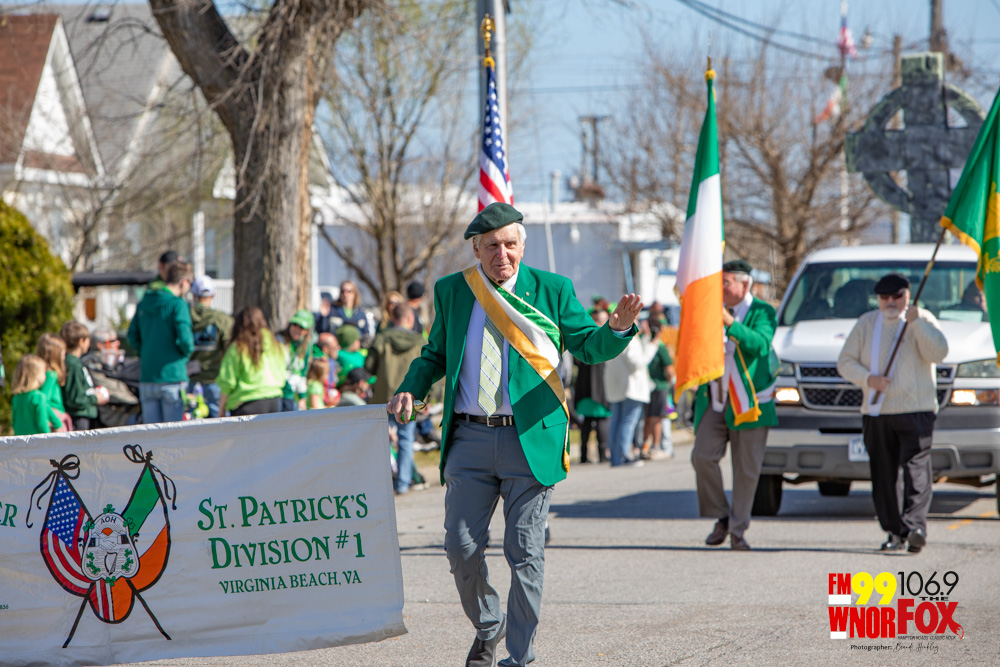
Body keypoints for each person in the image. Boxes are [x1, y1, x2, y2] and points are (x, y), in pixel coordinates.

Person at [387, 203, 641, 667]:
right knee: (460, 548)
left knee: (524, 552)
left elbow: (588, 346)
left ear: (522, 246)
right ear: (476, 249)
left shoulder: (552, 289)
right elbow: (435, 355)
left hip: (531, 438)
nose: (501, 254)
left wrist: (618, 328)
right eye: (491, 245)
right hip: (469, 438)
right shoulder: (453, 290)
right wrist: (411, 388)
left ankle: (519, 657)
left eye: (509, 244)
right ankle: (489, 623)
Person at [837, 273, 948, 553]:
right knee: (884, 475)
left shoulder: (923, 319)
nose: (890, 302)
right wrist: (868, 378)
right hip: (877, 412)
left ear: (907, 296)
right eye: (884, 297)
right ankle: (895, 531)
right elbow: (845, 362)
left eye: (897, 296)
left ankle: (915, 527)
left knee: (916, 469)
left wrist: (917, 323)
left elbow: (939, 353)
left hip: (917, 410)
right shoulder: (866, 323)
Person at [691, 259, 778, 552]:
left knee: (746, 471)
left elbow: (760, 345)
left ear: (745, 284)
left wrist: (729, 323)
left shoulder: (763, 311)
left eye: (726, 283)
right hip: (715, 399)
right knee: (702, 456)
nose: (721, 289)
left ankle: (738, 530)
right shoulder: (711, 309)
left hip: (750, 403)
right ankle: (723, 516)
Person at [365, 303, 426, 494]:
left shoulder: (382, 338)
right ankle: (403, 483)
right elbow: (429, 370)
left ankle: (381, 484)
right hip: (411, 400)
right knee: (406, 439)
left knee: (381, 440)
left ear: (393, 318)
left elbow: (369, 366)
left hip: (383, 399)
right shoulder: (419, 341)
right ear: (410, 319)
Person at [127, 261, 195, 424]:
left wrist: (145, 352)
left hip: (147, 376)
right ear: (184, 281)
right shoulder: (178, 304)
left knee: (152, 434)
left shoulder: (145, 302)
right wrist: (183, 355)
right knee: (173, 433)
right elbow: (186, 342)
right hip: (172, 376)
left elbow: (132, 337)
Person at [604, 318, 658, 467]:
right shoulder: (630, 339)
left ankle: (616, 458)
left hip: (617, 387)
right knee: (627, 422)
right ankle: (623, 456)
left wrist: (646, 339)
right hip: (631, 387)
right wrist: (652, 346)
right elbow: (637, 363)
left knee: (616, 422)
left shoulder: (613, 336)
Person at [217, 306, 288, 416]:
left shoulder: (238, 347)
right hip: (274, 400)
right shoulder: (275, 344)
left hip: (247, 402)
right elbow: (282, 371)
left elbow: (227, 381)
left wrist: (221, 408)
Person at [189, 275, 234, 418]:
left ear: (194, 295)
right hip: (215, 379)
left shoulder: (184, 316)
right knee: (219, 424)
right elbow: (230, 349)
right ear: (213, 295)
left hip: (189, 381)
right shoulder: (222, 319)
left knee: (189, 422)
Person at [573, 309, 613, 463]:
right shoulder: (599, 337)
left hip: (587, 387)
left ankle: (585, 455)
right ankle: (601, 454)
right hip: (596, 387)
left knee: (589, 421)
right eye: (602, 319)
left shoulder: (584, 337)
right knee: (600, 419)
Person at [60, 321, 109, 430]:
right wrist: (95, 398)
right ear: (81, 341)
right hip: (78, 418)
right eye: (88, 340)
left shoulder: (74, 362)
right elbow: (75, 399)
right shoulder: (73, 364)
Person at [642, 318, 676, 460]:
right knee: (657, 419)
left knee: (647, 419)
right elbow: (670, 371)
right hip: (660, 386)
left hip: (646, 387)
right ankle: (655, 447)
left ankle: (644, 446)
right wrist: (669, 382)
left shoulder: (643, 345)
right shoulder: (660, 348)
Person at [11, 354, 65, 435]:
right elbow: (43, 424)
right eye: (43, 372)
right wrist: (49, 438)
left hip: (20, 440)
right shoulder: (39, 397)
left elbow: (14, 423)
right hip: (37, 440)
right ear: (36, 375)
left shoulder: (16, 398)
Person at [276, 309, 318, 412]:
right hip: (280, 392)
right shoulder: (279, 341)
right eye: (295, 325)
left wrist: (302, 396)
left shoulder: (306, 345)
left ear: (307, 331)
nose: (297, 329)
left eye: (301, 327)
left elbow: (303, 372)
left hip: (293, 393)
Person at [36, 333, 71, 431]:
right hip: (54, 419)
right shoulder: (51, 375)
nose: (64, 355)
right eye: (62, 352)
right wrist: (56, 422)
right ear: (55, 354)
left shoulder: (41, 373)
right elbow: (43, 400)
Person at [317, 332, 342, 406]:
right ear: (325, 349)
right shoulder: (319, 365)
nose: (339, 348)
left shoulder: (331, 362)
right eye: (335, 346)